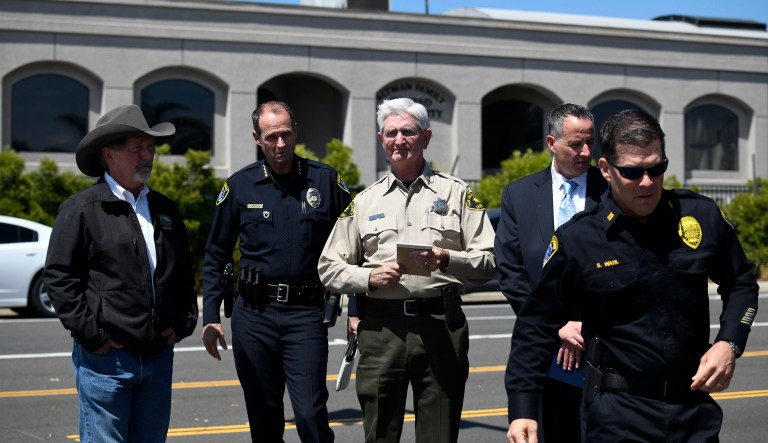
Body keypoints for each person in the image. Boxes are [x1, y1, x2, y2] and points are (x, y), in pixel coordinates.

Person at [506, 109, 760, 443]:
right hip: (619, 415)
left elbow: (741, 281)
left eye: (657, 169)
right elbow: (535, 325)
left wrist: (729, 343)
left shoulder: (698, 216)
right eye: (633, 172)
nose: (647, 182)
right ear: (607, 171)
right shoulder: (578, 240)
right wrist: (522, 408)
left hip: (693, 412)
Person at [317, 97, 497, 443]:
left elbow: (489, 259)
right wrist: (368, 277)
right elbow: (328, 267)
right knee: (380, 432)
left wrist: (447, 259)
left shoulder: (458, 193)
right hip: (382, 328)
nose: (399, 139)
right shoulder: (364, 201)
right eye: (391, 132)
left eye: (408, 132)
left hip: (440, 325)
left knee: (439, 431)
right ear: (380, 139)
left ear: (426, 138)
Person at [43, 104, 199, 443]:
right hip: (106, 363)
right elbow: (58, 278)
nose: (148, 155)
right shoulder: (82, 209)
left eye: (150, 147)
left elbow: (183, 272)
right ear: (108, 155)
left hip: (157, 359)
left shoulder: (165, 209)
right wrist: (94, 337)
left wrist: (185, 321)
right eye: (137, 148)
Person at [201, 101, 351, 443]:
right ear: (257, 138)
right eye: (272, 137)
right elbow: (215, 254)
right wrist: (210, 315)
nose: (280, 144)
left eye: (286, 134)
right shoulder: (240, 186)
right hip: (254, 317)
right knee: (265, 420)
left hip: (306, 315)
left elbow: (353, 248)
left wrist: (355, 310)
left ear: (295, 131)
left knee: (311, 416)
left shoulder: (325, 181)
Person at [495, 103, 607, 442]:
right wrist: (556, 324)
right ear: (551, 143)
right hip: (542, 345)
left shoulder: (612, 191)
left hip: (601, 343)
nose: (585, 152)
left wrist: (584, 323)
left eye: (590, 142)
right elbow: (512, 271)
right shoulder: (520, 195)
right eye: (575, 144)